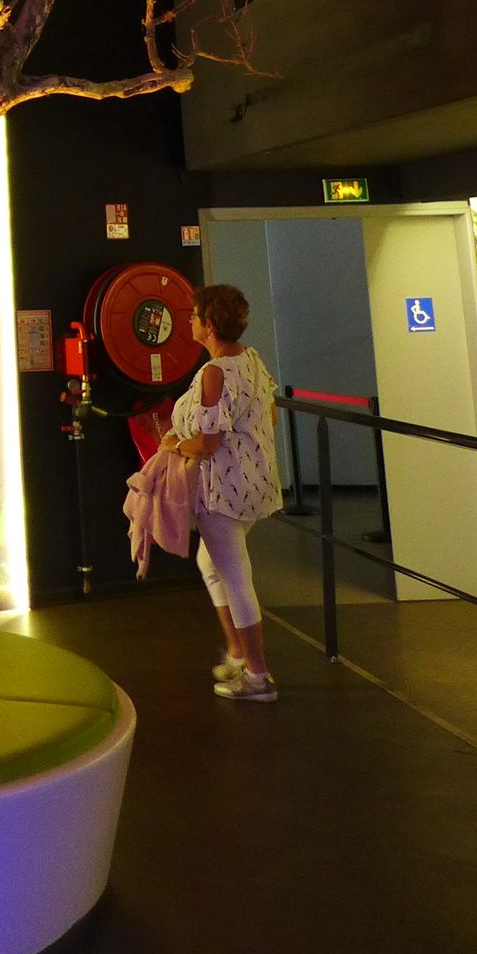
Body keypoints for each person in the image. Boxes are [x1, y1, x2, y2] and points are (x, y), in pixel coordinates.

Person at [162, 282, 282, 704]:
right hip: (253, 487)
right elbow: (270, 414)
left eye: (194, 316)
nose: (190, 322)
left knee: (235, 577)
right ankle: (237, 652)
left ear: (209, 325)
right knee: (210, 563)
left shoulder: (215, 373)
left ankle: (257, 676)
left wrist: (173, 444)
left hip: (223, 495)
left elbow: (208, 443)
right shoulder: (251, 361)